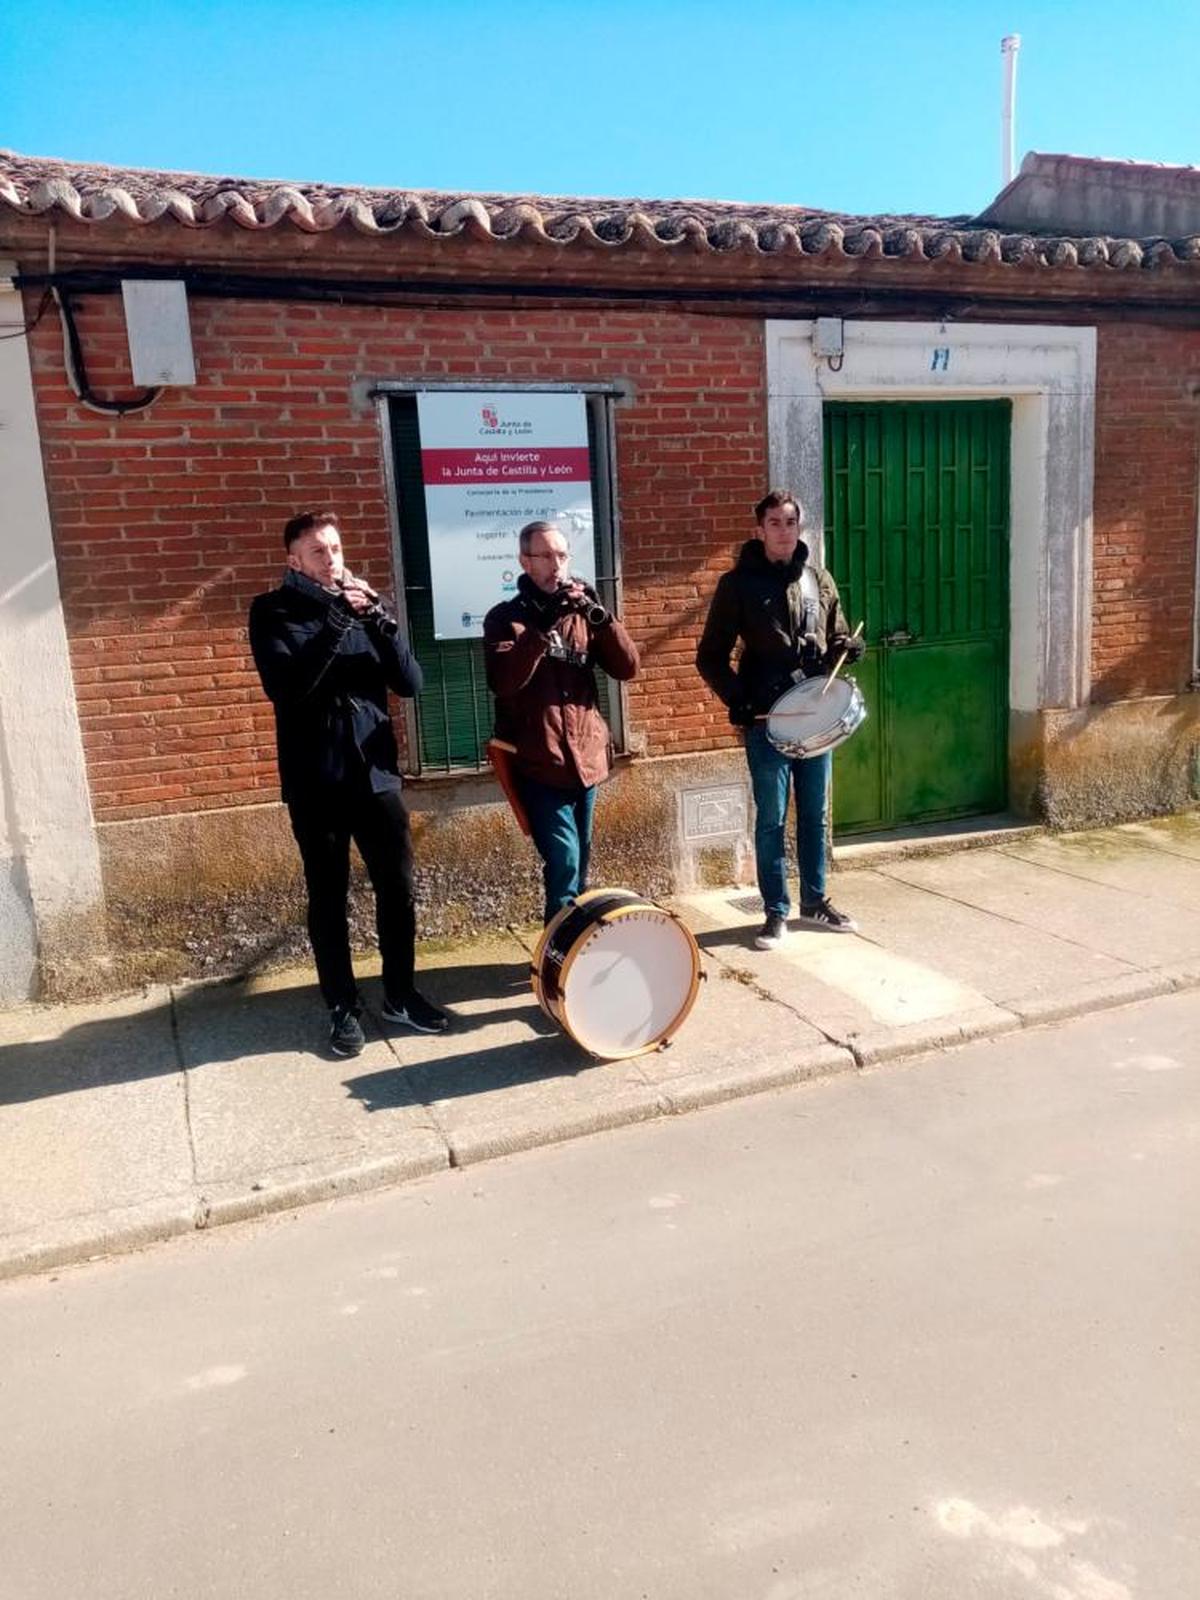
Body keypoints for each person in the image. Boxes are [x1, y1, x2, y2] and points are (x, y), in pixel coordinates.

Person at [249, 509, 449, 1058]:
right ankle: (341, 1005)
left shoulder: (362, 606)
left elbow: (409, 683)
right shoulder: (272, 611)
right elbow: (287, 688)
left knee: (398, 888)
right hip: (316, 780)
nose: (332, 559)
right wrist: (337, 621)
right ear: (294, 561)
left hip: (375, 773)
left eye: (336, 548)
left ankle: (401, 994)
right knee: (329, 896)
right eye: (318, 551)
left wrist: (383, 623)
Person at [696, 488, 865, 950]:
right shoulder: (737, 586)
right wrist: (738, 700)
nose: (784, 531)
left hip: (816, 717)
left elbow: (838, 635)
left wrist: (849, 648)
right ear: (759, 530)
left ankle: (815, 901)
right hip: (767, 720)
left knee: (815, 814)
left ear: (799, 528)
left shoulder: (818, 579)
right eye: (774, 523)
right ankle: (775, 911)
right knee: (771, 818)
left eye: (791, 522)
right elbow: (709, 657)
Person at [483, 520, 639, 923]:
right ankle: (558, 954)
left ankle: (576, 941)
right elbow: (503, 681)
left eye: (562, 555)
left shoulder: (582, 611)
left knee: (580, 860)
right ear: (525, 561)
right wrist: (543, 626)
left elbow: (627, 667)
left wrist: (603, 620)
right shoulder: (505, 619)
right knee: (564, 860)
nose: (557, 564)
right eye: (546, 556)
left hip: (585, 760)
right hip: (539, 761)